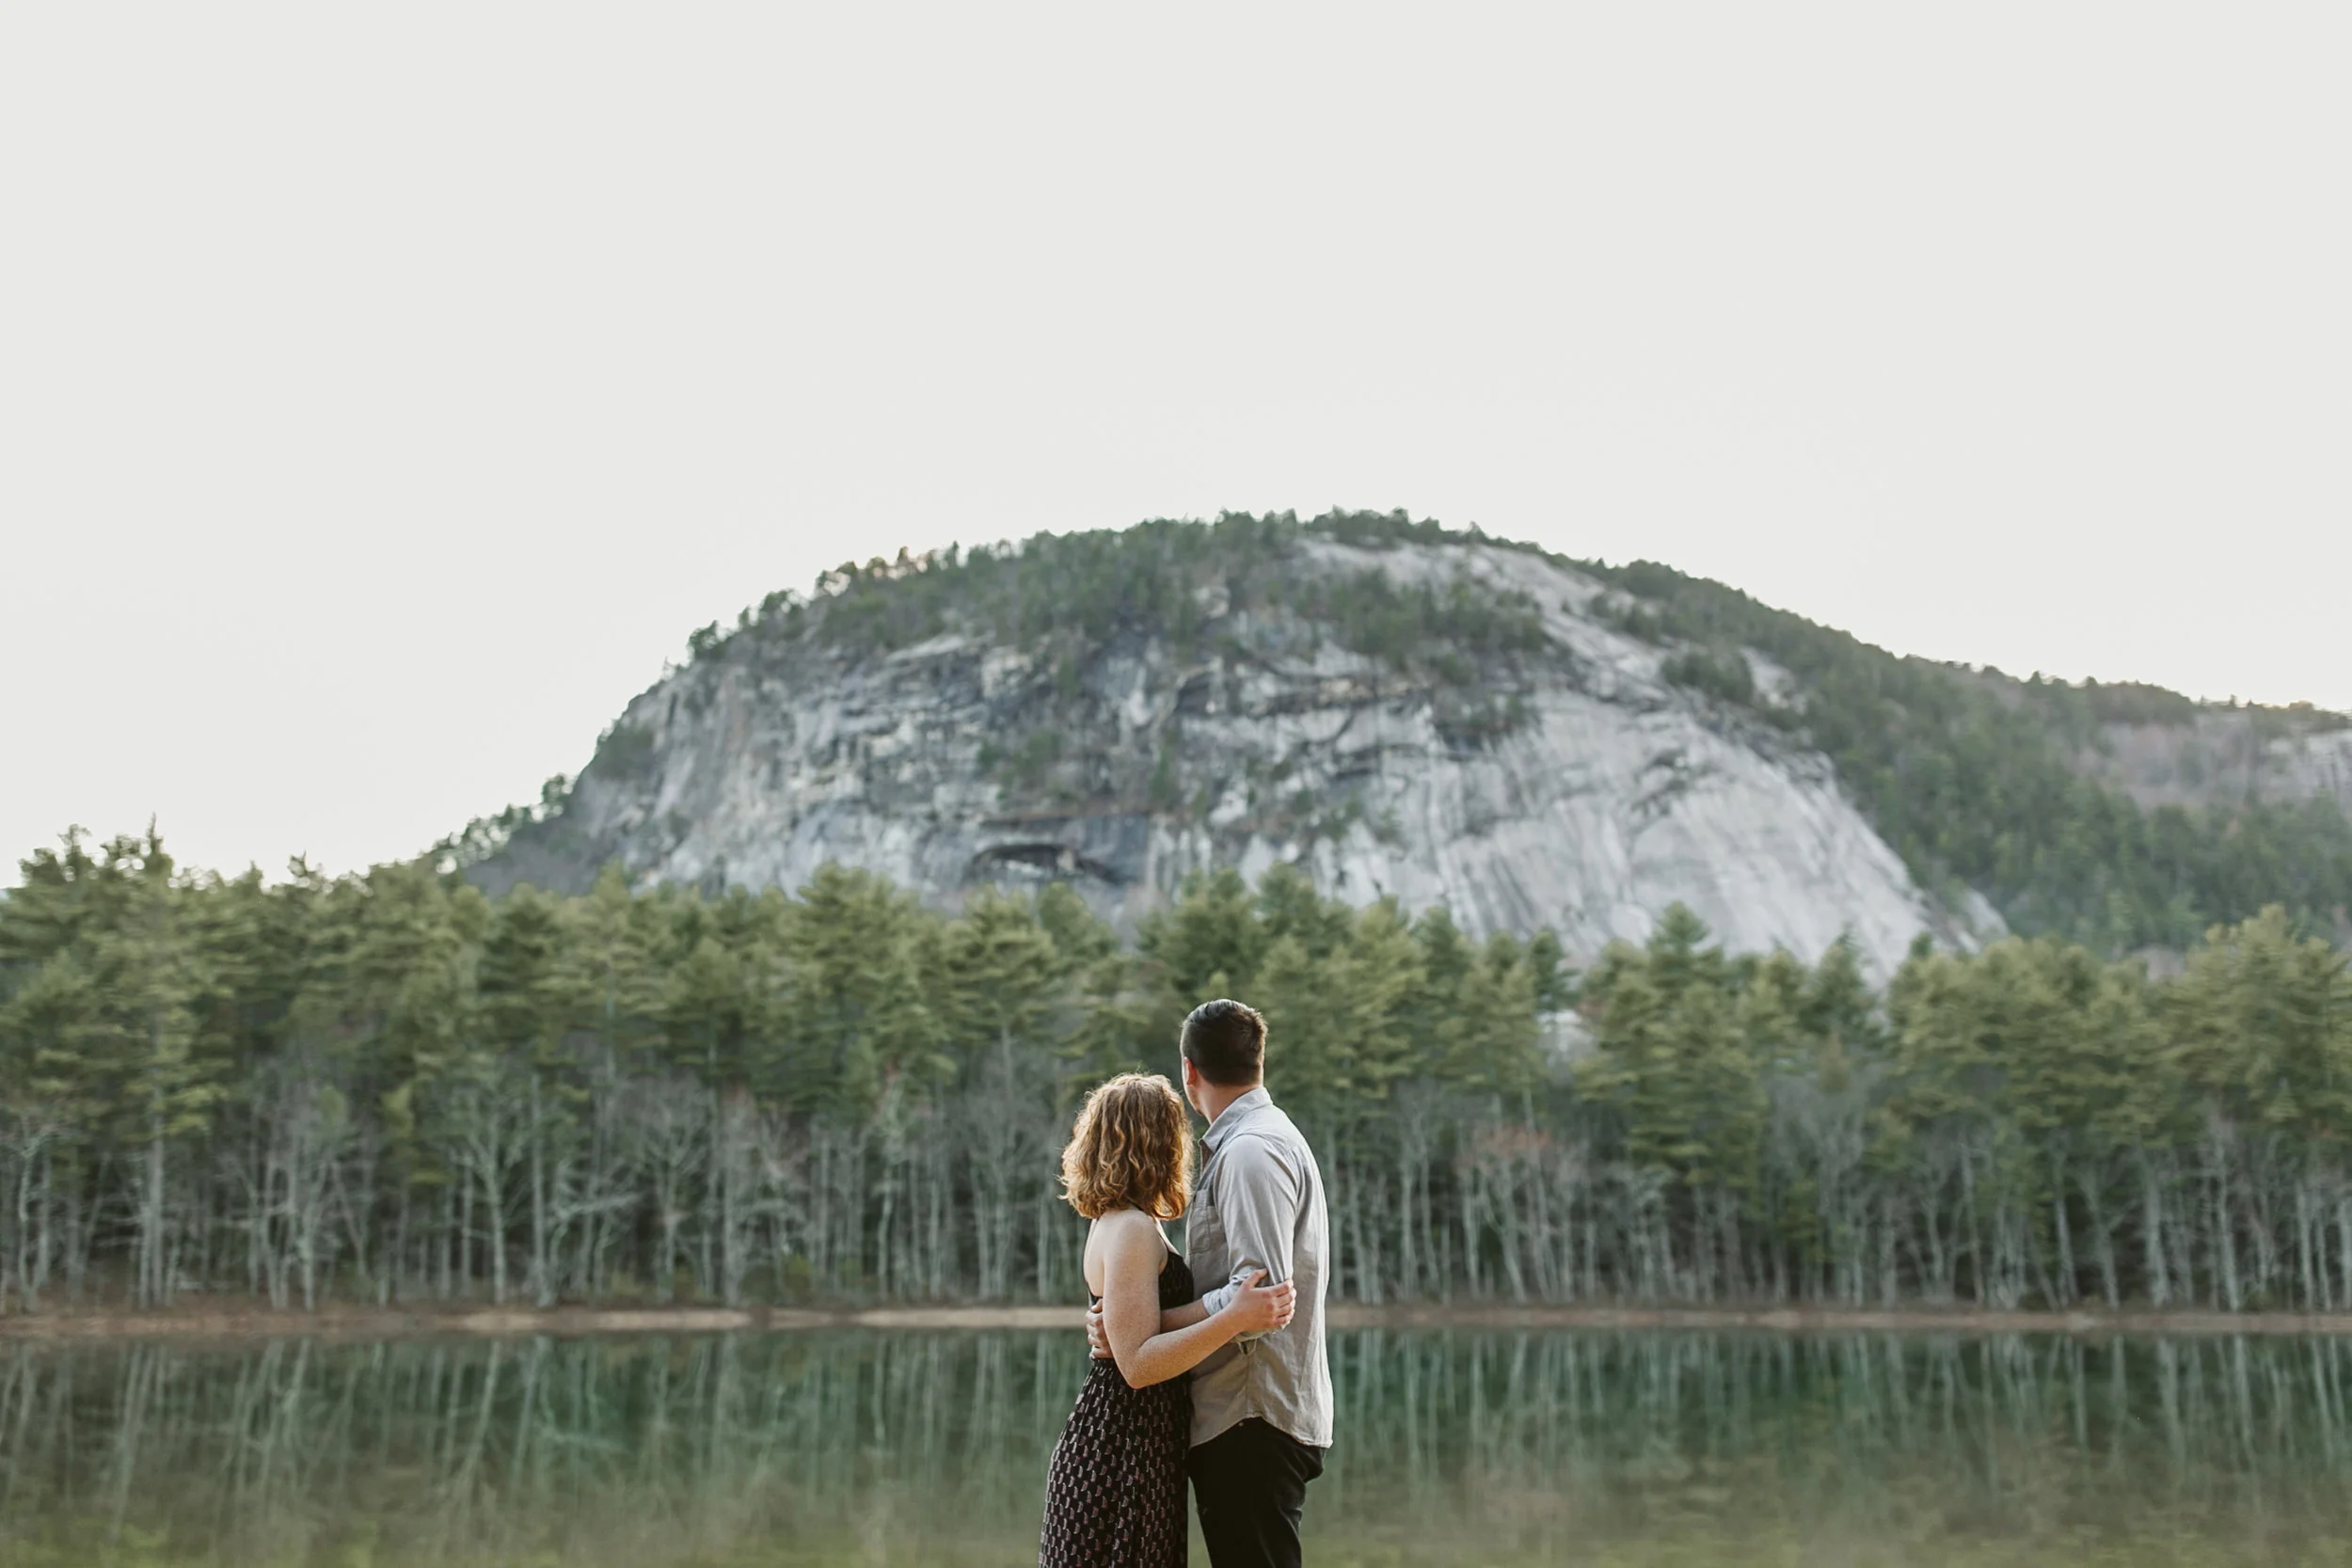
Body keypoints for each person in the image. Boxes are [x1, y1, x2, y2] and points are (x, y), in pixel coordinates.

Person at [1087, 999, 1334, 1568]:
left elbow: (1261, 1302)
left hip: (1251, 1412)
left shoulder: (1249, 1151)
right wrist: (1127, 1326)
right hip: (1244, 1413)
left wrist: (1138, 1331)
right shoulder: (1255, 1141)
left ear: (1188, 1070)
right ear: (1259, 1062)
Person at [1041, 1071, 1296, 1568]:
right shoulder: (1133, 1228)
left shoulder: (1122, 1220)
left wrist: (1225, 1307)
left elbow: (1139, 1325)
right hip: (1123, 1445)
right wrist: (1233, 1318)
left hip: (1131, 1439)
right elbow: (1137, 1364)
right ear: (1157, 1142)